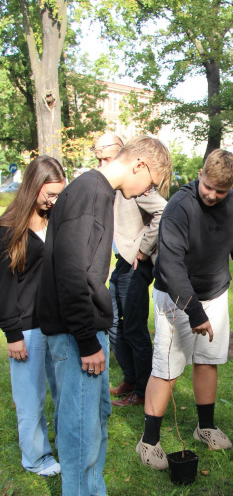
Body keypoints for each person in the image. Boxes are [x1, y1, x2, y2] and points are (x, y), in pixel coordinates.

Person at [37, 135, 173, 496]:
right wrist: (86, 340)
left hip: (89, 330)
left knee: (96, 414)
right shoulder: (87, 195)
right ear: (139, 166)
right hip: (75, 334)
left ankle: (93, 495)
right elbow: (72, 274)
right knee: (77, 427)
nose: (147, 193)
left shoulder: (100, 192)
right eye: (151, 184)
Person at [137, 149, 233, 469]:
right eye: (208, 187)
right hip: (175, 299)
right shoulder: (179, 207)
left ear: (232, 187)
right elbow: (171, 267)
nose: (212, 195)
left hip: (215, 296)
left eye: (221, 191)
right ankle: (148, 441)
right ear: (200, 173)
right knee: (167, 369)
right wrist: (195, 313)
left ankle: (206, 427)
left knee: (207, 361)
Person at [0, 156, 66, 476]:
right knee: (30, 398)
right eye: (49, 195)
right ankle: (36, 458)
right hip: (26, 327)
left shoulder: (55, 219)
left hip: (56, 322)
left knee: (61, 390)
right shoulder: (9, 226)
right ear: (33, 186)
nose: (53, 201)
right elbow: (4, 285)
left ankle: (61, 447)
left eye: (58, 195)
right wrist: (12, 334)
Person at [94, 132, 168, 407]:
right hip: (120, 264)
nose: (102, 163)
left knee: (134, 328)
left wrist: (143, 248)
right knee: (112, 324)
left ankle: (141, 390)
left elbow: (164, 210)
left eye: (106, 157)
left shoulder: (137, 185)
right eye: (98, 157)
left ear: (122, 153)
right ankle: (129, 377)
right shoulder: (110, 184)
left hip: (135, 266)